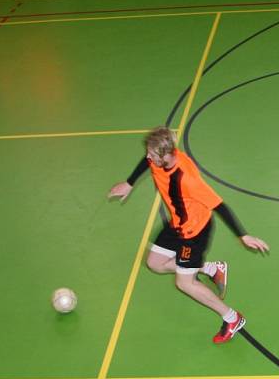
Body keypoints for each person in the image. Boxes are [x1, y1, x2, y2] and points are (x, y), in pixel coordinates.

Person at [108, 127, 270, 344]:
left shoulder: (187, 179)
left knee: (184, 283)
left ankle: (232, 318)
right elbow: (146, 161)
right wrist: (129, 183)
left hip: (194, 233)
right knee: (154, 263)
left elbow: (220, 205)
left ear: (166, 155)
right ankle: (211, 268)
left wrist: (244, 235)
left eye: (152, 155)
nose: (148, 157)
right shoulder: (159, 158)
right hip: (177, 224)